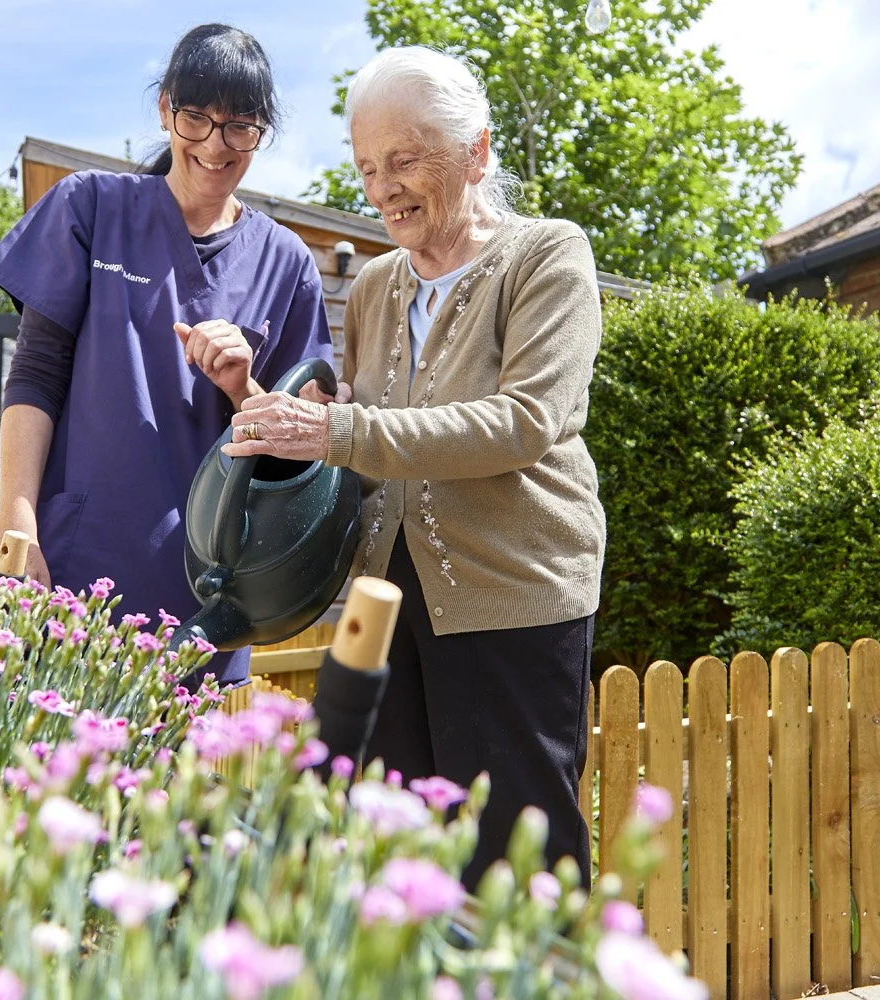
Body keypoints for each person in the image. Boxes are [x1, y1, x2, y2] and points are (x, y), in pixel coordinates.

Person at [224, 46, 605, 888]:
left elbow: (524, 422)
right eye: (367, 167)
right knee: (384, 844)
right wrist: (263, 403)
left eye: (405, 160)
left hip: (513, 591)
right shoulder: (374, 288)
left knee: (515, 861)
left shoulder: (546, 256)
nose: (383, 186)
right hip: (384, 601)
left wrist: (339, 433)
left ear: (476, 151)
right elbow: (359, 440)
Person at [0, 24, 334, 685]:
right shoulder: (90, 206)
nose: (216, 146)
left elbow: (298, 461)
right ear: (166, 109)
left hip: (198, 592)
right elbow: (36, 376)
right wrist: (17, 524)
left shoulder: (287, 264)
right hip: (60, 563)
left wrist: (243, 390)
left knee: (159, 784)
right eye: (197, 118)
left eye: (240, 127)